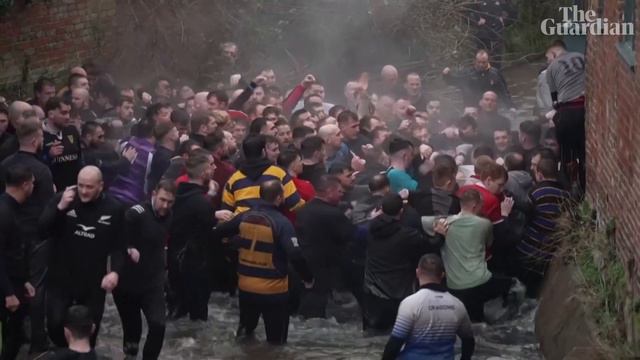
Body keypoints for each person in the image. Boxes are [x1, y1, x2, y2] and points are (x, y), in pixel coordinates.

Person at [213, 180, 314, 344]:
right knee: (276, 343)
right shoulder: (282, 223)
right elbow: (295, 254)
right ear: (280, 198)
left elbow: (218, 233)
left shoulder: (244, 216)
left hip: (246, 288)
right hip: (273, 291)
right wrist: (308, 278)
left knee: (245, 335)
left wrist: (233, 246)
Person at [39, 166, 124, 347]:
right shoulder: (64, 199)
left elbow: (118, 246)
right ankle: (65, 353)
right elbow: (42, 230)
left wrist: (115, 272)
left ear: (101, 186)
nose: (84, 191)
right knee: (54, 324)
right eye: (80, 186)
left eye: (89, 187)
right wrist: (60, 207)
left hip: (92, 279)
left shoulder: (114, 208)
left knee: (90, 329)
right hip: (61, 276)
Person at [1, 113, 54, 354]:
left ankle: (16, 332)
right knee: (36, 287)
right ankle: (38, 341)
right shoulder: (41, 171)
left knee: (14, 282)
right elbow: (46, 209)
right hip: (34, 235)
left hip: (9, 233)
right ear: (35, 140)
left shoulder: (4, 164)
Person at [114, 180, 176, 359]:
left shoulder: (170, 215)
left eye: (170, 202)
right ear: (154, 194)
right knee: (132, 333)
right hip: (128, 283)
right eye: (162, 200)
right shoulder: (137, 213)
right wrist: (129, 247)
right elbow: (117, 235)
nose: (165, 206)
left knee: (158, 326)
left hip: (153, 282)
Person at [434, 189, 513, 322]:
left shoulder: (443, 223)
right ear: (475, 206)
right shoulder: (484, 224)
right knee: (512, 285)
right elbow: (489, 244)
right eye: (481, 205)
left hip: (454, 286)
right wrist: (505, 216)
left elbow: (424, 222)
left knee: (469, 321)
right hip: (480, 281)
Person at [382, 254, 475, 360]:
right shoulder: (457, 305)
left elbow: (394, 345)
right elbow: (469, 341)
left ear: (417, 272)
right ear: (442, 275)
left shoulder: (410, 303)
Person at [363, 194, 433, 333]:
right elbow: (430, 246)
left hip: (373, 293)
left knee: (372, 334)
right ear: (401, 211)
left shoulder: (367, 230)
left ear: (381, 209)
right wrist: (440, 235)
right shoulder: (407, 235)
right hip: (399, 293)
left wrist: (371, 218)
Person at [168, 150, 223, 321]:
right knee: (197, 314)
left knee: (177, 309)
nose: (215, 169)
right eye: (212, 166)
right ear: (204, 172)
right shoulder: (201, 203)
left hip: (174, 258)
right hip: (195, 261)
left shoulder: (175, 194)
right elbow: (211, 231)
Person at [296, 175, 359, 319]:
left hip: (304, 266)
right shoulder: (332, 214)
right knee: (318, 307)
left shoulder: (304, 209)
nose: (341, 195)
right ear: (329, 191)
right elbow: (352, 235)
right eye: (339, 192)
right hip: (324, 268)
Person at [516, 158, 570, 297]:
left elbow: (527, 216)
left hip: (528, 249)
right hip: (549, 251)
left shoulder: (535, 192)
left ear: (539, 174)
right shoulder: (565, 194)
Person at [0, 166, 35, 360]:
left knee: (14, 335)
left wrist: (24, 282)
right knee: (8, 339)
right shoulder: (4, 212)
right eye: (32, 183)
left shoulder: (11, 208)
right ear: (25, 184)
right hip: (5, 289)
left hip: (14, 282)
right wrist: (9, 293)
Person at [222, 135, 304, 214]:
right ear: (263, 152)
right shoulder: (278, 173)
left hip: (241, 224)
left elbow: (226, 212)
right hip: (271, 223)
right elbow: (295, 204)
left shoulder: (234, 179)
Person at [546, 40, 586, 191]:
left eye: (548, 57)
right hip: (585, 108)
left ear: (554, 53)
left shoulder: (551, 69)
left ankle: (567, 192)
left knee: (565, 155)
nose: (548, 61)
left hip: (569, 113)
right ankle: (584, 185)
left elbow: (555, 101)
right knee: (583, 153)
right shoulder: (581, 56)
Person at [442, 49, 515, 109]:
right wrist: (446, 75)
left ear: (488, 61)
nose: (481, 65)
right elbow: (451, 81)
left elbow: (504, 92)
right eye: (479, 62)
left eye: (484, 62)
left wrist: (511, 107)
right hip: (472, 109)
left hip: (490, 108)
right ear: (475, 61)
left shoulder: (495, 74)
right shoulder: (466, 73)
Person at [81, 121, 137, 189]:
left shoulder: (93, 150)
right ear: (88, 136)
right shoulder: (84, 154)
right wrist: (125, 160)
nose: (102, 140)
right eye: (100, 137)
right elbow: (107, 167)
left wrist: (115, 154)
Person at [43, 96, 82, 191]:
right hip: (55, 191)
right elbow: (36, 165)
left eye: (69, 112)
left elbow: (80, 158)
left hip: (76, 188)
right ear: (51, 114)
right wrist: (49, 155)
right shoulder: (40, 135)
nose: (68, 117)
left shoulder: (72, 130)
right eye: (64, 113)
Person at [147, 122, 179, 196]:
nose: (178, 132)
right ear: (169, 135)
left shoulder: (161, 152)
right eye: (175, 130)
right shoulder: (164, 157)